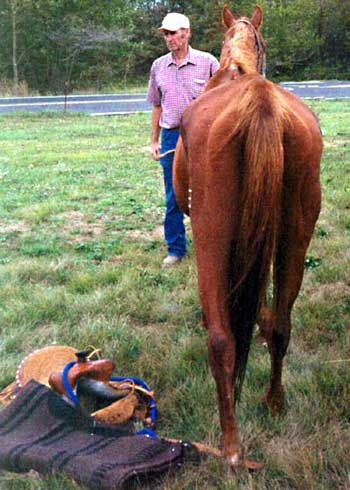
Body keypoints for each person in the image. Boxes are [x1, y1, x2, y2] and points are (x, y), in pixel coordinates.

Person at [147, 12, 219, 268]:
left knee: (209, 191)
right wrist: (154, 141)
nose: (169, 38)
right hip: (170, 135)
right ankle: (176, 249)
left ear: (186, 32)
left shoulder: (208, 62)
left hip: (203, 136)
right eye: (165, 34)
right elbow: (156, 105)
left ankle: (211, 245)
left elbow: (222, 99)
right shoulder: (158, 66)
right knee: (174, 195)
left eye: (173, 33)